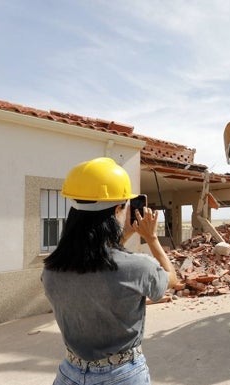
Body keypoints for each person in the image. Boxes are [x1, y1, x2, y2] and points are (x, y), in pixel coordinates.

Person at [41, 157, 178, 385]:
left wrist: (123, 236)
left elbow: (99, 258)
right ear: (117, 210)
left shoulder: (52, 269)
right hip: (122, 375)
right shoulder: (137, 267)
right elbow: (171, 279)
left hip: (69, 374)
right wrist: (152, 239)